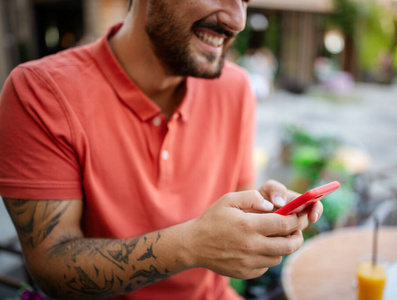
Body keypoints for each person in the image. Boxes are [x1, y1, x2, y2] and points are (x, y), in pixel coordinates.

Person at [0, 0, 323, 299]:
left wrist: (265, 212)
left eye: (244, 0)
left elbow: (240, 196)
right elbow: (50, 264)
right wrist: (190, 245)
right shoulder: (41, 92)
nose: (237, 20)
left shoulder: (236, 88)